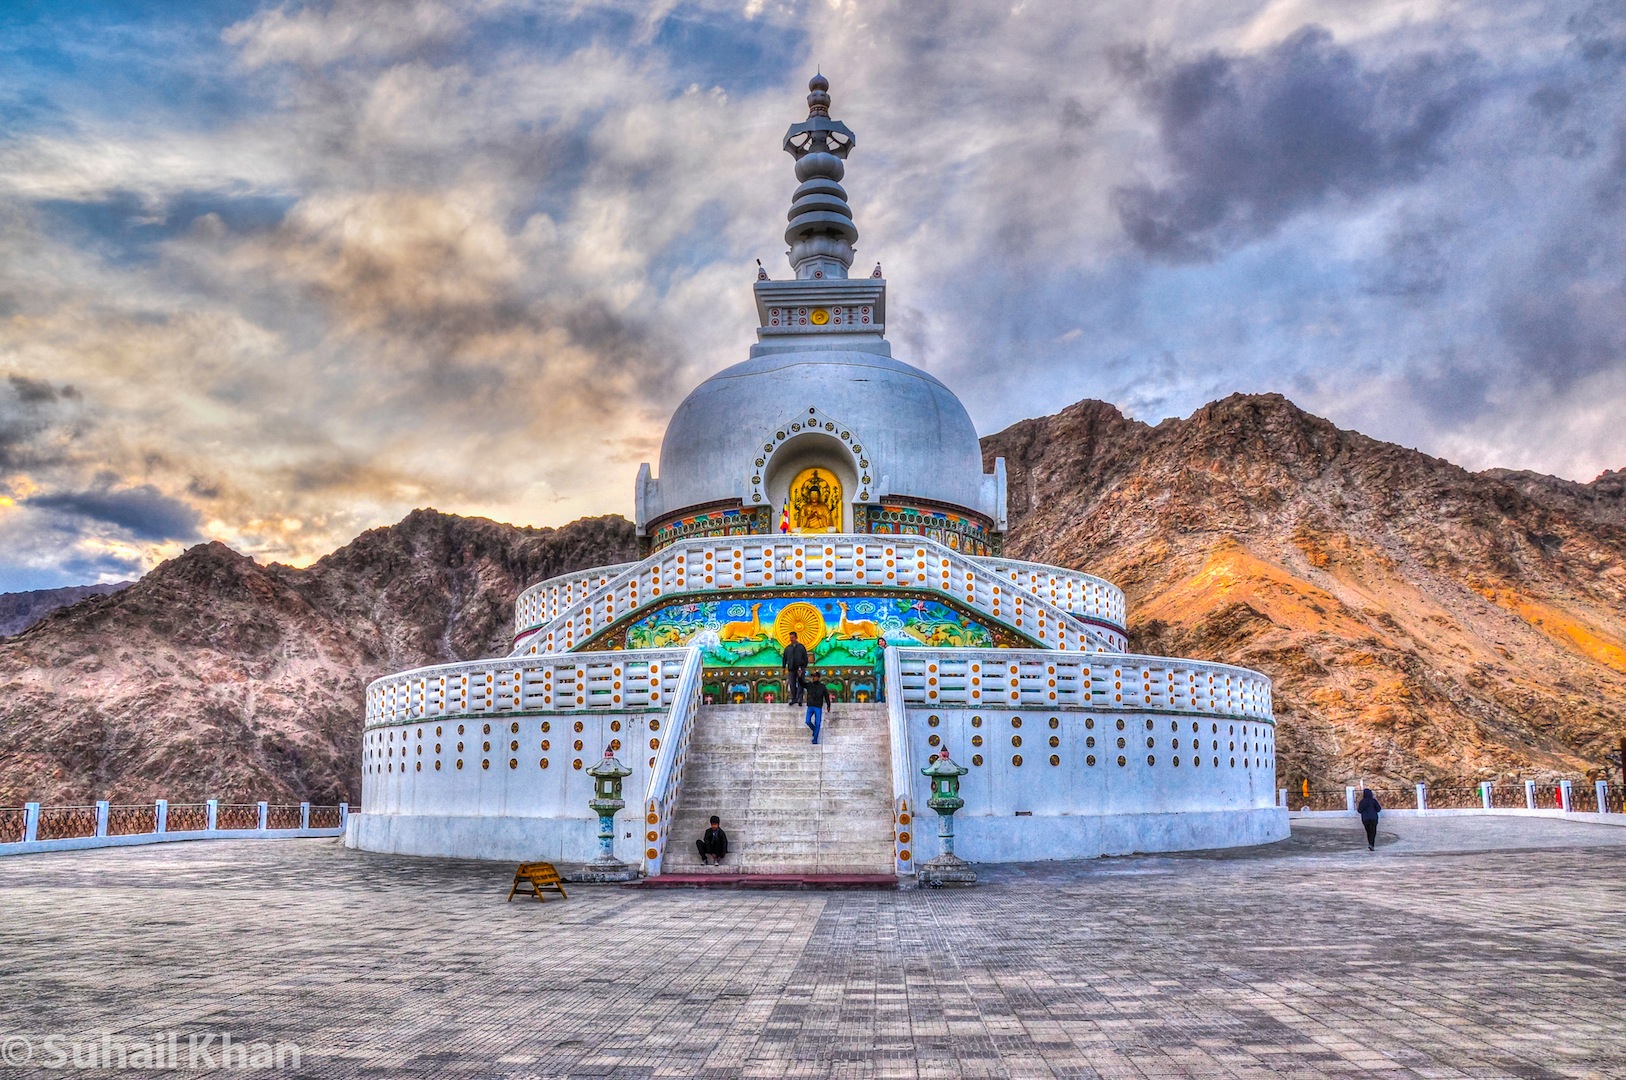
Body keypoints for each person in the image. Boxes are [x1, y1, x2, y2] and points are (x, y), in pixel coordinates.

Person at [803, 676, 833, 745]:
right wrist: (799, 676)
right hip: (810, 706)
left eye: (815, 677)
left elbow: (826, 696)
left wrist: (828, 705)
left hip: (818, 707)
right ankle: (814, 730)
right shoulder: (809, 685)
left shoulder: (822, 686)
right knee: (807, 721)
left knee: (818, 723)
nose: (813, 678)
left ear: (818, 678)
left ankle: (815, 739)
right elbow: (802, 684)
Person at [783, 631, 808, 706]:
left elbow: (805, 658)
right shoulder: (788, 648)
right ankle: (794, 698)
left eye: (793, 637)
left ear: (796, 637)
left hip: (800, 668)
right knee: (792, 684)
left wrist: (803, 666)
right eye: (790, 637)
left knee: (801, 683)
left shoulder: (801, 647)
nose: (791, 639)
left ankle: (800, 699)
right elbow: (784, 658)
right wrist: (784, 667)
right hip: (791, 669)